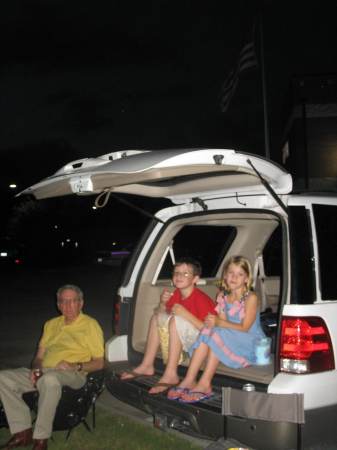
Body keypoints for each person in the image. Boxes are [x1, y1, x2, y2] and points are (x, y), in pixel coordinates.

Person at [0, 284, 104, 450]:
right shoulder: (50, 324)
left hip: (73, 374)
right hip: (47, 371)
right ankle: (22, 433)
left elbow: (99, 362)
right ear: (58, 304)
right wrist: (36, 369)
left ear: (81, 303)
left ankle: (41, 439)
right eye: (63, 301)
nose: (67, 306)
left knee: (49, 380)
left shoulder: (90, 325)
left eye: (72, 301)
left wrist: (75, 365)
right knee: (3, 378)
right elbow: (39, 356)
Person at [167, 255, 265, 403]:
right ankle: (189, 379)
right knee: (209, 329)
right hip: (231, 335)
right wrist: (217, 319)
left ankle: (205, 383)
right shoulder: (223, 296)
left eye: (240, 274)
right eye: (231, 273)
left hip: (250, 341)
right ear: (225, 275)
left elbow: (245, 328)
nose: (234, 277)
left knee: (215, 331)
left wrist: (219, 322)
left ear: (246, 278)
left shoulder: (251, 298)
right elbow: (223, 323)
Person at [120, 257, 216, 395]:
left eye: (185, 273)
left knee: (175, 320)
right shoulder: (176, 294)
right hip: (184, 339)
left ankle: (171, 374)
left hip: (202, 345)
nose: (179, 276)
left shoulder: (201, 299)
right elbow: (161, 315)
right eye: (176, 272)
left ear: (195, 279)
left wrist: (185, 314)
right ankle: (147, 365)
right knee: (155, 318)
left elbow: (210, 332)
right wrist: (162, 303)